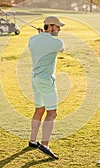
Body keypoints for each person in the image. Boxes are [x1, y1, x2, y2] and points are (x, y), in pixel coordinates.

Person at [28, 16, 65, 160]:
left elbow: (39, 42)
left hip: (35, 79)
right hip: (46, 80)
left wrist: (41, 35)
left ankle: (32, 141)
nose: (59, 29)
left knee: (40, 109)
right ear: (49, 26)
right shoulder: (56, 42)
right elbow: (62, 48)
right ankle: (45, 144)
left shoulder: (32, 39)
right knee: (52, 113)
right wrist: (45, 36)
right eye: (57, 27)